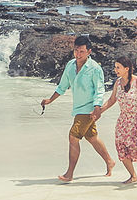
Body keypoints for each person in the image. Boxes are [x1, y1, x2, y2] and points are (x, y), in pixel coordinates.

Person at [41, 36, 116, 182]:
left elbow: (99, 90)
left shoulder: (95, 68)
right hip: (77, 108)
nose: (78, 54)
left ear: (89, 52)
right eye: (76, 50)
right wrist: (50, 100)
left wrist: (97, 108)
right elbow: (62, 86)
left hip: (88, 109)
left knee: (73, 137)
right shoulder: (70, 65)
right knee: (92, 137)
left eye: (82, 51)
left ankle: (69, 173)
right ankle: (109, 161)